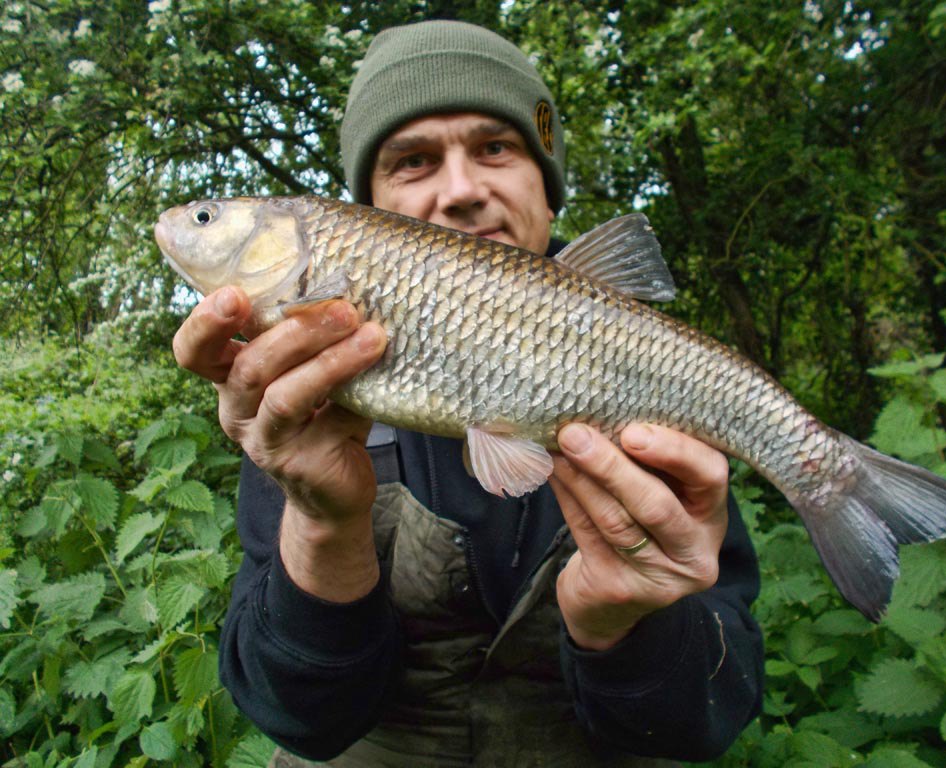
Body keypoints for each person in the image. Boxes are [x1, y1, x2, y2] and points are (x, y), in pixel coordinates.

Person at [173, 20, 764, 768]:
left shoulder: (656, 380)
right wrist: (323, 527)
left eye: (496, 147)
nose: (461, 191)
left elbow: (715, 717)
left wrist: (627, 623)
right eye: (414, 161)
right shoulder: (301, 398)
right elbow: (297, 721)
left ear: (547, 188)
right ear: (367, 215)